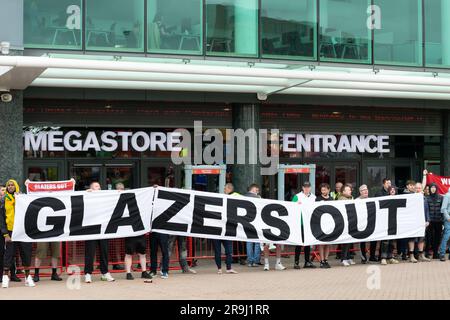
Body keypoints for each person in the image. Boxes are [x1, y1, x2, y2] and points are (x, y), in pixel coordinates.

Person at [1, 179, 35, 288]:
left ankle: (27, 277)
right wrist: (5, 234)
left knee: (26, 253)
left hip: (22, 230)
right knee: (8, 255)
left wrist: (20, 198)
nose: (10, 187)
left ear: (16, 186)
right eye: (8, 185)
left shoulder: (22, 198)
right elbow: (1, 219)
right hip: (10, 231)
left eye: (12, 185)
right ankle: (5, 277)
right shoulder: (3, 200)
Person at [118, 183, 152, 281]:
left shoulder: (141, 204)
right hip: (130, 232)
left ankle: (144, 271)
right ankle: (128, 273)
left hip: (140, 232)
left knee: (142, 253)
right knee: (129, 254)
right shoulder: (123, 205)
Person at [84, 182, 115, 283]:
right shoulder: (87, 197)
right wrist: (86, 193)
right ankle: (88, 274)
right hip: (91, 228)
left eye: (99, 186)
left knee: (104, 251)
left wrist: (119, 192)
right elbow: (79, 200)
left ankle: (105, 272)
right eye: (96, 186)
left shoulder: (104, 198)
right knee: (90, 252)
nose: (99, 188)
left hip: (103, 228)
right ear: (91, 188)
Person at [212, 183, 238, 274]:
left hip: (226, 230)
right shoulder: (220, 199)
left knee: (228, 251)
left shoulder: (234, 198)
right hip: (218, 230)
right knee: (219, 251)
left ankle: (228, 268)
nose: (224, 190)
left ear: (229, 188)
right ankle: (220, 269)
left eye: (225, 188)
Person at [292, 181, 316, 269]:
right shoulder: (297, 196)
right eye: (305, 187)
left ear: (310, 187)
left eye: (308, 187)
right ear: (302, 188)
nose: (306, 188)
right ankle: (296, 262)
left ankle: (307, 262)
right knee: (299, 242)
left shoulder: (314, 197)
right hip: (300, 223)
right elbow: (292, 208)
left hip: (309, 223)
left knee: (307, 243)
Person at [407, 183, 431, 263]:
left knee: (421, 238)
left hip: (422, 222)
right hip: (413, 222)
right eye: (416, 188)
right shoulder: (411, 198)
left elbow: (427, 210)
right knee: (412, 238)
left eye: (419, 188)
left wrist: (428, 220)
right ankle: (411, 256)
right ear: (414, 189)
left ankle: (421, 255)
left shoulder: (424, 198)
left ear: (422, 189)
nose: (418, 189)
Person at [379, 186, 400, 265]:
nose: (392, 191)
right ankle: (383, 258)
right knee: (385, 241)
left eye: (394, 190)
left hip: (394, 222)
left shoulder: (399, 199)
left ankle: (390, 257)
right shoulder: (384, 199)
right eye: (391, 190)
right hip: (386, 222)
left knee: (392, 241)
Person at [244, 184, 262, 268]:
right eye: (257, 190)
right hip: (256, 221)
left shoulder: (243, 197)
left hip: (246, 222)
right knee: (257, 242)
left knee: (249, 242)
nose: (258, 192)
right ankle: (256, 260)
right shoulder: (257, 197)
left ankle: (250, 261)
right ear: (253, 189)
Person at [316, 183, 333, 268]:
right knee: (321, 243)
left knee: (328, 243)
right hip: (321, 223)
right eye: (322, 190)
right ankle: (321, 261)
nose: (323, 191)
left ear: (328, 190)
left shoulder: (331, 199)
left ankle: (326, 259)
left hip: (329, 223)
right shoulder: (318, 199)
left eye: (325, 189)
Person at [338, 184, 355, 267]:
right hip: (344, 223)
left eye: (350, 190)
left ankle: (348, 257)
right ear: (343, 191)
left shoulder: (351, 198)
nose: (350, 191)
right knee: (345, 242)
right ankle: (343, 259)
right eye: (348, 190)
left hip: (350, 221)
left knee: (349, 241)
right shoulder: (341, 199)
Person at [425, 183, 443, 259]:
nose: (433, 189)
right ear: (429, 189)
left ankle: (435, 253)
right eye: (431, 187)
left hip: (439, 221)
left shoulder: (441, 197)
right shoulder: (427, 198)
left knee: (438, 238)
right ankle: (427, 253)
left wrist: (442, 220)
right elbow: (426, 210)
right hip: (430, 221)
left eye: (434, 187)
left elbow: (442, 209)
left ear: (436, 188)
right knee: (430, 238)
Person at [356, 184, 370, 264]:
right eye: (363, 190)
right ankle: (363, 257)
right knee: (362, 241)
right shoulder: (357, 201)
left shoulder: (371, 200)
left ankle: (372, 256)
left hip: (369, 223)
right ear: (360, 192)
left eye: (366, 189)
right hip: (361, 224)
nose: (366, 191)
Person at [439, 187, 450, 261]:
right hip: (448, 218)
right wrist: (448, 218)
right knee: (447, 236)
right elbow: (443, 208)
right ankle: (442, 254)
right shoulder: (447, 195)